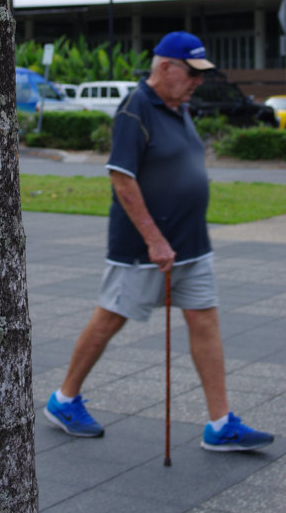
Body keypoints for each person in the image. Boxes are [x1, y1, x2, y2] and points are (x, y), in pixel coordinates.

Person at [44, 31, 274, 452]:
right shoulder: (136, 108)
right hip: (145, 249)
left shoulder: (177, 107)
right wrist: (154, 239)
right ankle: (64, 400)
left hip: (191, 245)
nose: (197, 83)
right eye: (191, 74)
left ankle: (221, 424)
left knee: (205, 320)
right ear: (165, 67)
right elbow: (121, 178)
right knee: (109, 319)